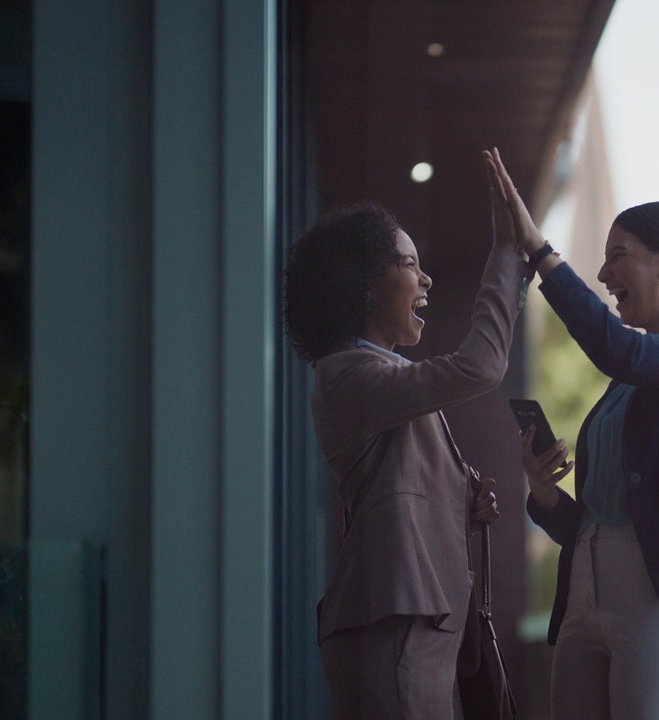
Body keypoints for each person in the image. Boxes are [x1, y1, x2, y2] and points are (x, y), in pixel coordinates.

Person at [487, 149, 659, 719]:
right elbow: (599, 522)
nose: (605, 274)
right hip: (587, 595)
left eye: (619, 256)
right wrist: (544, 495)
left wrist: (542, 253)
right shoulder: (627, 384)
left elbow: (621, 349)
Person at [283, 151, 528, 718]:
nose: (426, 278)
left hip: (418, 616)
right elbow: (481, 368)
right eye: (409, 263)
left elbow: (395, 492)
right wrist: (506, 251)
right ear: (365, 283)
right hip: (395, 619)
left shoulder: (381, 375)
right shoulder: (347, 373)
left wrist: (460, 507)